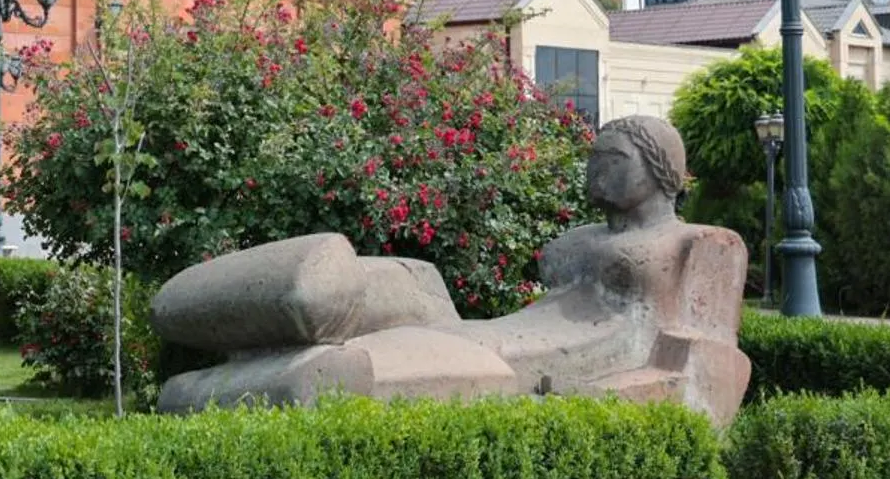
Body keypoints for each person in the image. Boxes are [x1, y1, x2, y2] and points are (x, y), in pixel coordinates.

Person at [153, 115, 752, 425]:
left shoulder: (701, 244)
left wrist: (600, 406)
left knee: (386, 354)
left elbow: (707, 363)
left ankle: (209, 390)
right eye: (592, 157)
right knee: (403, 286)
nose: (595, 170)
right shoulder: (579, 236)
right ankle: (245, 306)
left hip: (540, 359)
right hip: (498, 331)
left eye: (613, 159)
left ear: (661, 168)